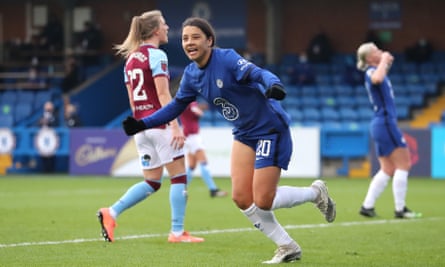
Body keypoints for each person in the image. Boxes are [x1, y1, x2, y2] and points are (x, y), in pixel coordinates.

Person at [122, 17, 336, 264]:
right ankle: (287, 246)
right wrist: (143, 123)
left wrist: (273, 84)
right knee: (241, 197)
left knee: (263, 200)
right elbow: (176, 106)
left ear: (209, 41)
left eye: (195, 37)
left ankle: (315, 193)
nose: (188, 42)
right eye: (184, 38)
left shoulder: (226, 58)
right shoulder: (191, 75)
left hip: (269, 129)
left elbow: (257, 73)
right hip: (243, 134)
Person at [97, 10, 204, 243]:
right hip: (160, 123)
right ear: (155, 30)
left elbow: (132, 100)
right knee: (178, 177)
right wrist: (175, 126)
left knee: (152, 181)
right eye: (164, 24)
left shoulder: (131, 59)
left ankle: (111, 212)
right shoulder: (157, 56)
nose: (167, 28)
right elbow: (164, 94)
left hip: (141, 126)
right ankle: (177, 232)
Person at [356, 42, 422, 219]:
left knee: (387, 168)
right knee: (404, 164)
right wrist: (384, 60)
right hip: (385, 122)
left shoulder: (374, 70)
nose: (380, 51)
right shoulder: (371, 72)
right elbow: (377, 78)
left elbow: (381, 76)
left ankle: (367, 206)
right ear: (370, 58)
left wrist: (385, 62)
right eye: (376, 50)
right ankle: (400, 209)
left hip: (380, 123)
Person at [179, 101, 228, 198]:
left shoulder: (182, 103)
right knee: (203, 162)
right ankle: (213, 189)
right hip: (193, 137)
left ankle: (182, 189)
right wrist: (201, 108)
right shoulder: (191, 103)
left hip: (187, 135)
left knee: (192, 165)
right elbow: (197, 112)